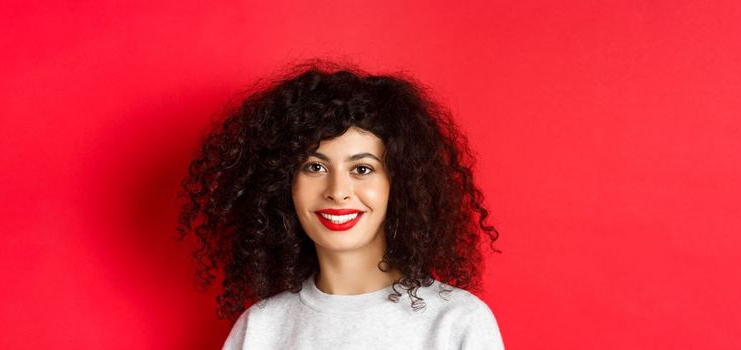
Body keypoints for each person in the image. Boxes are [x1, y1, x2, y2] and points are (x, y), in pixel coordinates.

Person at [176, 60, 503, 349]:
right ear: (283, 185)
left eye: (362, 169)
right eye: (314, 167)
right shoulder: (261, 329)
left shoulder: (456, 322)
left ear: (399, 185)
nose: (337, 191)